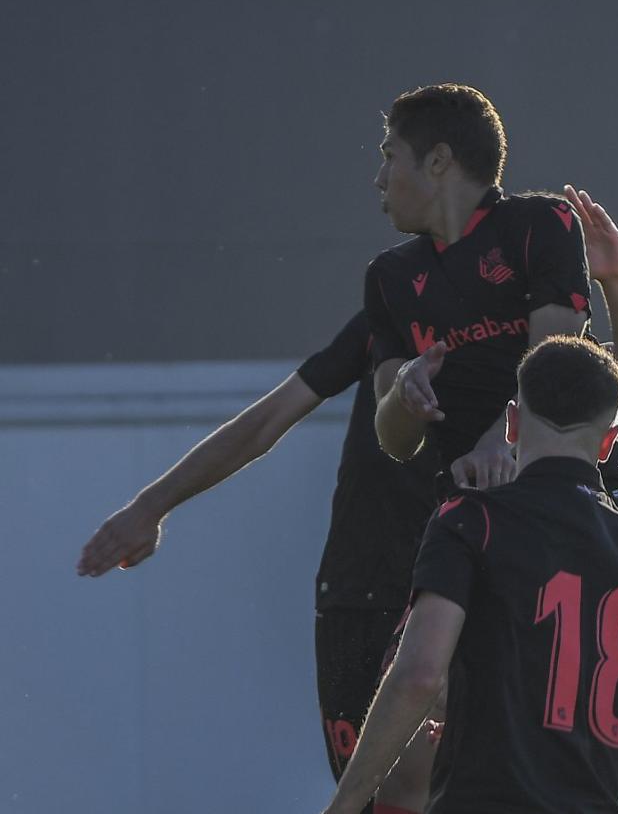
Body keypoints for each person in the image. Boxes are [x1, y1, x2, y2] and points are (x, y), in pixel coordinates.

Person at [76, 184, 618, 806]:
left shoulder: (549, 331)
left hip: (480, 588)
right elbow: (273, 416)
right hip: (371, 577)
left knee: (469, 781)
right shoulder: (401, 303)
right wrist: (153, 503)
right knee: (385, 794)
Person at [322, 336, 618, 814]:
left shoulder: (472, 521)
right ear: (608, 442)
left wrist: (345, 804)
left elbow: (418, 676)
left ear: (513, 423)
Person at [75, 309, 438, 797]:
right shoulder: (396, 291)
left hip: (454, 595)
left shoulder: (530, 311)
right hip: (361, 592)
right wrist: (152, 505)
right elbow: (269, 419)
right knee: (371, 796)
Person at [367, 84, 618, 491]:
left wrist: (498, 443)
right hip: (469, 500)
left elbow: (552, 365)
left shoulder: (543, 221)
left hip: (570, 492)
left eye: (389, 157)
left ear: (438, 160)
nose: (379, 179)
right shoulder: (388, 274)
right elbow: (395, 442)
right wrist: (404, 393)